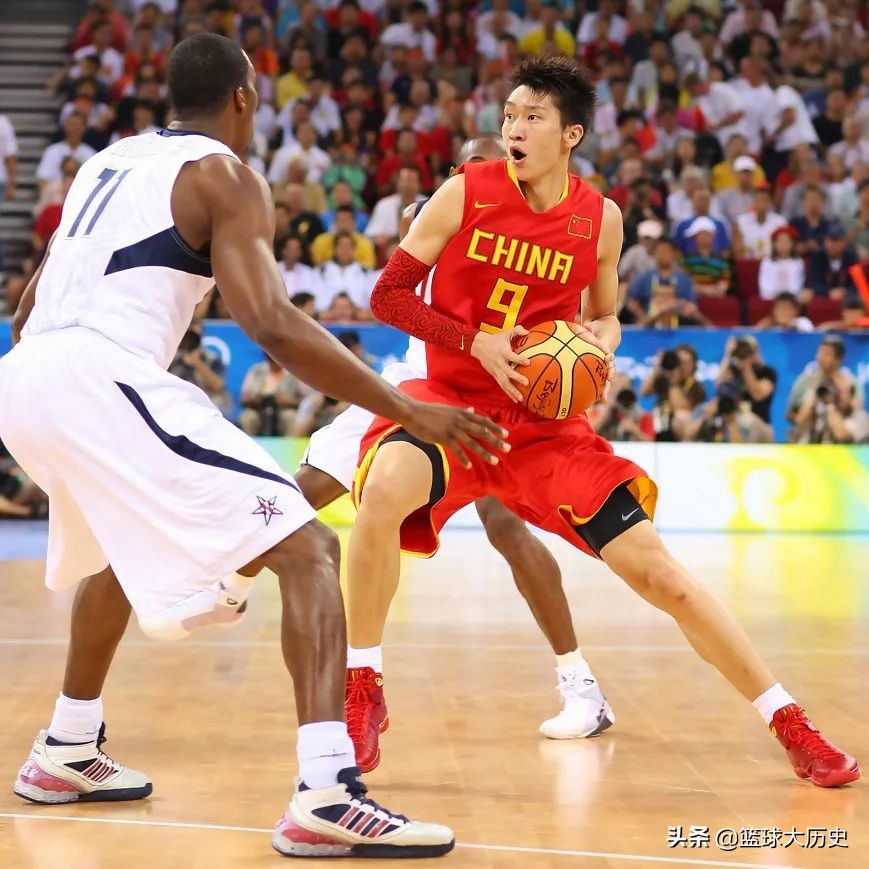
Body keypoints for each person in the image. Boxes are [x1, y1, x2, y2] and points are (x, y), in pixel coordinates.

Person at [0, 34, 511, 858]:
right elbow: (270, 324)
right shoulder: (225, 176)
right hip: (100, 377)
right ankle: (326, 792)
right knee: (310, 549)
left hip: (23, 380)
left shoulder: (105, 163)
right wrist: (401, 409)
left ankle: (66, 748)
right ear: (243, 97)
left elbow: (26, 310)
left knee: (113, 556)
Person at [342, 55, 858, 789]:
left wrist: (599, 342)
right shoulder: (462, 195)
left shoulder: (600, 219)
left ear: (570, 134)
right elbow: (387, 296)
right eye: (509, 114)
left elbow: (607, 314)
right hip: (455, 407)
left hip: (546, 430)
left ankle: (788, 720)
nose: (513, 128)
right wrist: (472, 340)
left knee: (663, 576)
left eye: (531, 117)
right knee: (384, 486)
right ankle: (363, 686)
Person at [298, 133, 613, 751]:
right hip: (417, 391)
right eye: (476, 166)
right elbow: (390, 294)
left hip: (493, 402)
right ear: (457, 174)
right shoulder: (440, 213)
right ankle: (228, 579)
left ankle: (580, 684)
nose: (492, 176)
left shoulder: (540, 228)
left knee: (509, 532)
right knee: (310, 491)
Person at [716, 335, 777, 424]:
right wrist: (728, 355)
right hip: (734, 419)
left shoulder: (767, 372)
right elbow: (718, 385)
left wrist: (747, 366)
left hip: (759, 423)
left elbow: (757, 395)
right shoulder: (732, 370)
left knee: (746, 422)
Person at [758, 226, 805, 301]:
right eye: (779, 241)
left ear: (793, 244)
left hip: (792, 300)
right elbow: (764, 287)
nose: (783, 245)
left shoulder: (798, 262)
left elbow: (797, 286)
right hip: (771, 300)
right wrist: (774, 296)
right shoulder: (767, 262)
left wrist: (788, 297)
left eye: (786, 242)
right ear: (774, 244)